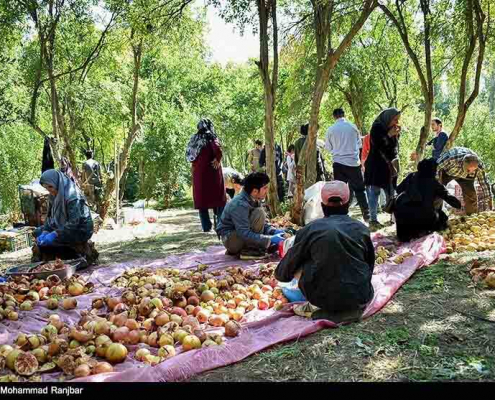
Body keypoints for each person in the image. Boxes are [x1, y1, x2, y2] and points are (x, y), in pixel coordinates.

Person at [275, 181, 375, 322]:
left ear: (322, 205)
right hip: (361, 296)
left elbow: (282, 274)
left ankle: (322, 308)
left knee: (299, 259)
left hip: (321, 299)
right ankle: (347, 306)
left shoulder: (310, 229)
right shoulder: (362, 228)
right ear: (348, 204)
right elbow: (369, 266)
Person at [32, 169, 97, 266]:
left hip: (80, 229)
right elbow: (50, 218)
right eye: (47, 188)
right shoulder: (52, 196)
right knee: (37, 232)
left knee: (54, 240)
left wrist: (55, 233)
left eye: (51, 186)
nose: (50, 190)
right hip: (62, 225)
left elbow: (74, 223)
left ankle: (79, 257)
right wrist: (46, 231)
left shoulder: (72, 196)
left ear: (57, 182)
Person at [216, 172, 286, 260]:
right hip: (231, 240)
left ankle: (248, 248)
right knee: (260, 212)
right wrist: (270, 239)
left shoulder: (255, 198)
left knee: (259, 213)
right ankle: (246, 250)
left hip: (238, 235)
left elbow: (262, 224)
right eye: (265, 188)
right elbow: (244, 233)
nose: (266, 191)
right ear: (255, 191)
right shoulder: (239, 204)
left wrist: (274, 232)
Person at [394, 158, 462, 242]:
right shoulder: (433, 182)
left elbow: (398, 189)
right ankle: (422, 231)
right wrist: (460, 205)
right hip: (423, 219)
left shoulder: (411, 176)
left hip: (403, 220)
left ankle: (406, 235)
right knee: (442, 217)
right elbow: (448, 197)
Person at [325, 108, 369, 221]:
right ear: (344, 115)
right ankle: (366, 213)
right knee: (359, 189)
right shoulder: (353, 127)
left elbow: (328, 148)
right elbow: (359, 144)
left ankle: (341, 215)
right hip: (353, 162)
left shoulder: (331, 130)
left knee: (340, 191)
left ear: (334, 116)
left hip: (338, 163)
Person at [186, 118, 227, 232]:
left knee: (202, 200)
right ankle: (220, 224)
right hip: (212, 173)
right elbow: (218, 150)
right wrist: (217, 159)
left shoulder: (194, 139)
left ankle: (206, 227)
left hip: (199, 174)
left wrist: (196, 164)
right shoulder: (211, 138)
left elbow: (189, 155)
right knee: (219, 199)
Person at [364, 108, 401, 231]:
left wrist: (396, 136)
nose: (396, 122)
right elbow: (377, 144)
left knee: (391, 192)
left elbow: (393, 147)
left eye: (397, 120)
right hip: (376, 165)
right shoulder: (377, 127)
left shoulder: (393, 128)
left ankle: (394, 218)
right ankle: (373, 220)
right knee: (374, 192)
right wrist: (389, 135)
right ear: (388, 118)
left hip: (389, 165)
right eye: (394, 119)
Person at [436, 147, 492, 215]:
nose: (471, 171)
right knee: (437, 192)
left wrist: (489, 200)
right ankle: (435, 215)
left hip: (466, 178)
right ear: (463, 163)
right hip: (448, 173)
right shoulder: (451, 158)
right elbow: (436, 167)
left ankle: (471, 217)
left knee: (471, 195)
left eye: (474, 170)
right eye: (469, 170)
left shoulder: (479, 166)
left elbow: (484, 182)